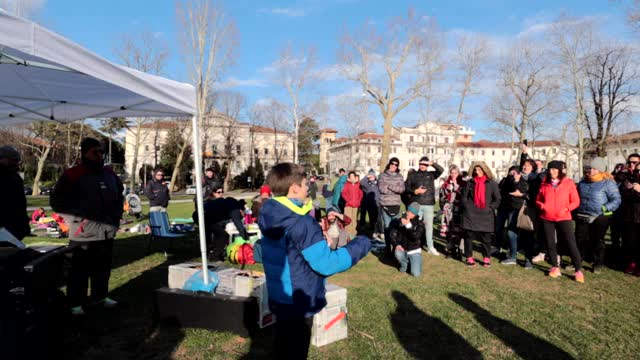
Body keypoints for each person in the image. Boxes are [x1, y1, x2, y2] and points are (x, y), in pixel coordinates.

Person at [258, 163, 371, 359]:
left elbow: (266, 250)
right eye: (304, 185)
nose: (307, 189)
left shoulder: (270, 214)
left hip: (279, 295)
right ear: (294, 187)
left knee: (282, 344)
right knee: (296, 349)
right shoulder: (301, 222)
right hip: (299, 299)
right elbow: (327, 263)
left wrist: (316, 239)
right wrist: (361, 243)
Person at [50, 138, 124, 315]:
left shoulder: (109, 173)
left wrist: (116, 217)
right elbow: (57, 201)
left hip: (106, 232)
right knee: (79, 272)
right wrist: (77, 219)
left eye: (101, 152)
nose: (99, 155)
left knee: (102, 269)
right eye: (95, 152)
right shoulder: (73, 174)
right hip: (83, 234)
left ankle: (100, 297)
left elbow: (119, 194)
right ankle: (76, 303)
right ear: (84, 153)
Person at [535, 160, 584, 283]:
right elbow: (538, 199)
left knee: (570, 243)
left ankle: (578, 270)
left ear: (559, 170)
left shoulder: (568, 183)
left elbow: (576, 201)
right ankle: (555, 267)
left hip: (564, 217)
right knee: (550, 243)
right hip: (547, 218)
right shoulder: (544, 183)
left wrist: (567, 209)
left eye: (554, 169)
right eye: (550, 169)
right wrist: (542, 206)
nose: (551, 172)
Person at [574, 157, 621, 273]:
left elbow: (616, 200)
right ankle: (577, 261)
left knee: (597, 240)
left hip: (600, 216)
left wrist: (604, 208)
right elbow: (576, 197)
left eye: (594, 168)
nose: (591, 170)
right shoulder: (582, 182)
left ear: (600, 170)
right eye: (589, 168)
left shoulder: (608, 183)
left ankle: (598, 263)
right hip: (582, 215)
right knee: (580, 239)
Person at [460, 162, 501, 267]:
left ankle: (486, 258)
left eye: (479, 170)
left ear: (484, 170)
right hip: (470, 213)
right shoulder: (470, 182)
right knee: (468, 237)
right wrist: (467, 207)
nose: (477, 172)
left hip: (486, 214)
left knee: (486, 238)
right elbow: (464, 197)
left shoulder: (492, 183)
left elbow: (497, 199)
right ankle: (469, 257)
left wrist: (490, 208)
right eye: (475, 170)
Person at [195, 185, 248, 262]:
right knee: (223, 235)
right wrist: (246, 240)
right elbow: (239, 225)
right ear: (241, 209)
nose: (243, 215)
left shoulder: (230, 202)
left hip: (202, 215)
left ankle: (210, 254)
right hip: (202, 216)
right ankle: (214, 257)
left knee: (216, 233)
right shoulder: (234, 208)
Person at [405, 156, 444, 256]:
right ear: (419, 164)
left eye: (425, 164)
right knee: (414, 225)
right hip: (416, 204)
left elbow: (441, 170)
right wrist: (415, 191)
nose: (423, 166)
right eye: (421, 164)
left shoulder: (431, 175)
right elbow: (406, 188)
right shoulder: (413, 175)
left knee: (429, 227)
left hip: (429, 205)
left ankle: (430, 247)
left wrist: (432, 163)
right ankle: (414, 245)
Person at [496, 166, 529, 265]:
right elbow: (500, 190)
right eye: (511, 172)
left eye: (514, 173)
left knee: (511, 232)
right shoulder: (505, 180)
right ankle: (498, 248)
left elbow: (517, 192)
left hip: (514, 209)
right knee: (498, 228)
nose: (512, 174)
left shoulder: (522, 182)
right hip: (503, 207)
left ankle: (513, 256)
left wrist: (516, 181)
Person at [0, 146, 30, 242]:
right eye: (14, 159)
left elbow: (20, 203)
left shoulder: (15, 177)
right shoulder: (13, 177)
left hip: (15, 226)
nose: (16, 162)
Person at [378, 157, 406, 255]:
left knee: (396, 228)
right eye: (392, 163)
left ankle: (395, 247)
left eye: (396, 164)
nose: (394, 166)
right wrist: (395, 188)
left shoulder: (400, 176)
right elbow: (382, 189)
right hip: (385, 205)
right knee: (387, 227)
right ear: (389, 164)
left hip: (396, 205)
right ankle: (387, 247)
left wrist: (389, 186)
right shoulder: (382, 175)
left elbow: (402, 190)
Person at [389, 202, 425, 277]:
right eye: (408, 211)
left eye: (412, 213)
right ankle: (404, 264)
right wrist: (397, 244)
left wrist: (408, 225)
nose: (408, 214)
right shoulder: (401, 218)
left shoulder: (419, 222)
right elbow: (393, 234)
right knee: (398, 252)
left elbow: (416, 237)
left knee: (415, 274)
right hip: (403, 248)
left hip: (414, 250)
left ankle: (414, 261)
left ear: (415, 214)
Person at [519, 157, 543, 269]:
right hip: (518, 208)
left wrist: (525, 195)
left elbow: (536, 194)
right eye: (524, 165)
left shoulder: (535, 178)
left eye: (528, 165)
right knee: (522, 233)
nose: (525, 167)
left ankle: (529, 259)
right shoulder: (519, 177)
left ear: (533, 168)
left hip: (531, 208)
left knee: (530, 233)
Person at [439, 165, 466, 260]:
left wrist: (457, 186)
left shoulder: (463, 183)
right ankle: (450, 250)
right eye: (452, 173)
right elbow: (441, 197)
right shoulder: (445, 184)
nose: (454, 175)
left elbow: (464, 195)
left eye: (455, 173)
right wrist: (447, 191)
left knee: (458, 231)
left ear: (458, 173)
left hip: (459, 209)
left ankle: (460, 250)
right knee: (449, 231)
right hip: (448, 209)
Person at [621, 161, 640, 276]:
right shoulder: (632, 180)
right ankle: (633, 262)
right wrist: (628, 189)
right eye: (637, 171)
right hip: (631, 216)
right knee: (632, 242)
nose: (638, 173)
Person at [360, 169, 381, 237]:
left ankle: (380, 231)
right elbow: (362, 182)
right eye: (370, 176)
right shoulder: (367, 185)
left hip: (378, 203)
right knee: (372, 218)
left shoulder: (378, 183)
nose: (371, 177)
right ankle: (373, 230)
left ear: (375, 176)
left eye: (372, 176)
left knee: (378, 218)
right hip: (370, 204)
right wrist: (367, 176)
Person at [341, 171, 363, 236]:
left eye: (353, 176)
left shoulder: (358, 185)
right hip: (348, 205)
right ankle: (347, 233)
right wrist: (348, 201)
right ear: (349, 178)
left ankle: (353, 233)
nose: (352, 178)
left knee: (354, 219)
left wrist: (358, 201)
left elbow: (361, 194)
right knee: (348, 219)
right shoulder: (347, 184)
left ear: (355, 177)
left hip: (356, 205)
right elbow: (343, 194)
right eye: (350, 177)